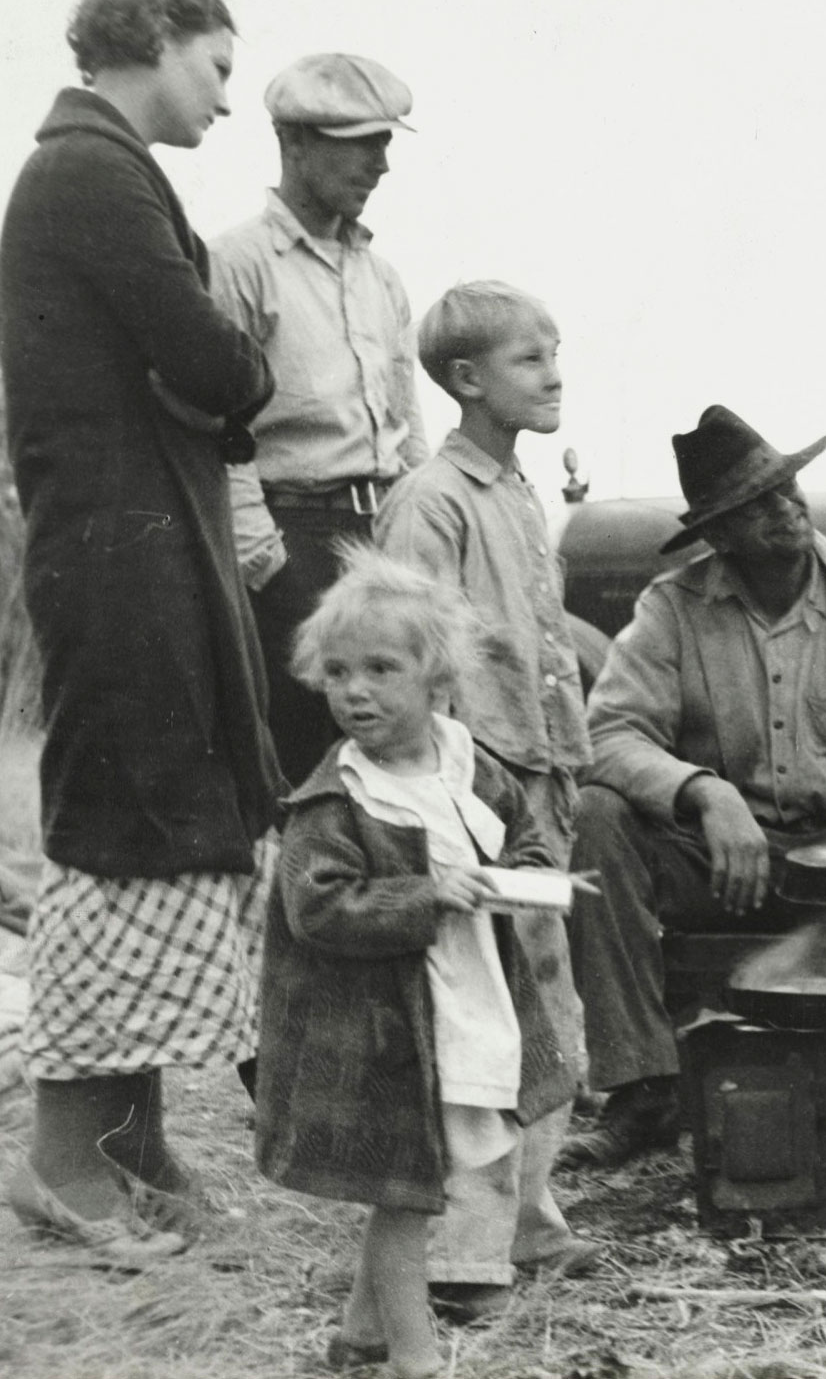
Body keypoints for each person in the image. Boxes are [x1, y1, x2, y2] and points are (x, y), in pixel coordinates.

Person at [0, 0, 280, 1265]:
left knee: (163, 804)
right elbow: (221, 367)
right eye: (217, 66)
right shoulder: (91, 173)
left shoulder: (108, 170)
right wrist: (217, 381)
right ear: (155, 36)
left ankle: (131, 1137)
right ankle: (65, 1158)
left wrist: (211, 390)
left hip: (142, 547)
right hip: (118, 560)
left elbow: (211, 389)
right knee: (122, 820)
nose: (227, 99)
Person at [563, 405, 826, 1167]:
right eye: (756, 502)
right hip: (723, 864)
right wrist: (705, 794)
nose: (786, 507)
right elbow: (605, 736)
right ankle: (643, 1089)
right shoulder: (671, 610)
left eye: (789, 487)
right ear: (719, 533)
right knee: (595, 818)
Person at [254, 547, 578, 1379]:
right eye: (336, 672)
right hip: (386, 1029)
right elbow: (317, 907)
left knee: (417, 1179)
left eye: (380, 669)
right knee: (405, 1192)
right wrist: (428, 897)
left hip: (464, 1008)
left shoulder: (466, 760)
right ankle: (413, 1359)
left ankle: (361, 1335)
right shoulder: (337, 798)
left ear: (437, 681)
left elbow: (525, 830)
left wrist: (533, 875)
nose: (353, 691)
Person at [373, 281, 597, 1320]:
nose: (553, 374)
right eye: (529, 359)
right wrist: (453, 798)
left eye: (555, 354)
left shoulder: (516, 492)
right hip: (477, 790)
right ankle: (462, 1258)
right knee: (480, 1014)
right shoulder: (435, 500)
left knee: (547, 1002)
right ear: (465, 380)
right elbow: (413, 653)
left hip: (539, 778)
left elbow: (538, 643)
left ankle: (528, 1224)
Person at [211, 51, 428, 785]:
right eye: (360, 143)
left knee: (398, 767)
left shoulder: (382, 277)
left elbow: (407, 425)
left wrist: (416, 545)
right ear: (294, 142)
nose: (380, 166)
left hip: (382, 544)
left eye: (386, 144)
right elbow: (219, 436)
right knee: (306, 768)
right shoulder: (239, 264)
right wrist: (269, 569)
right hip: (292, 541)